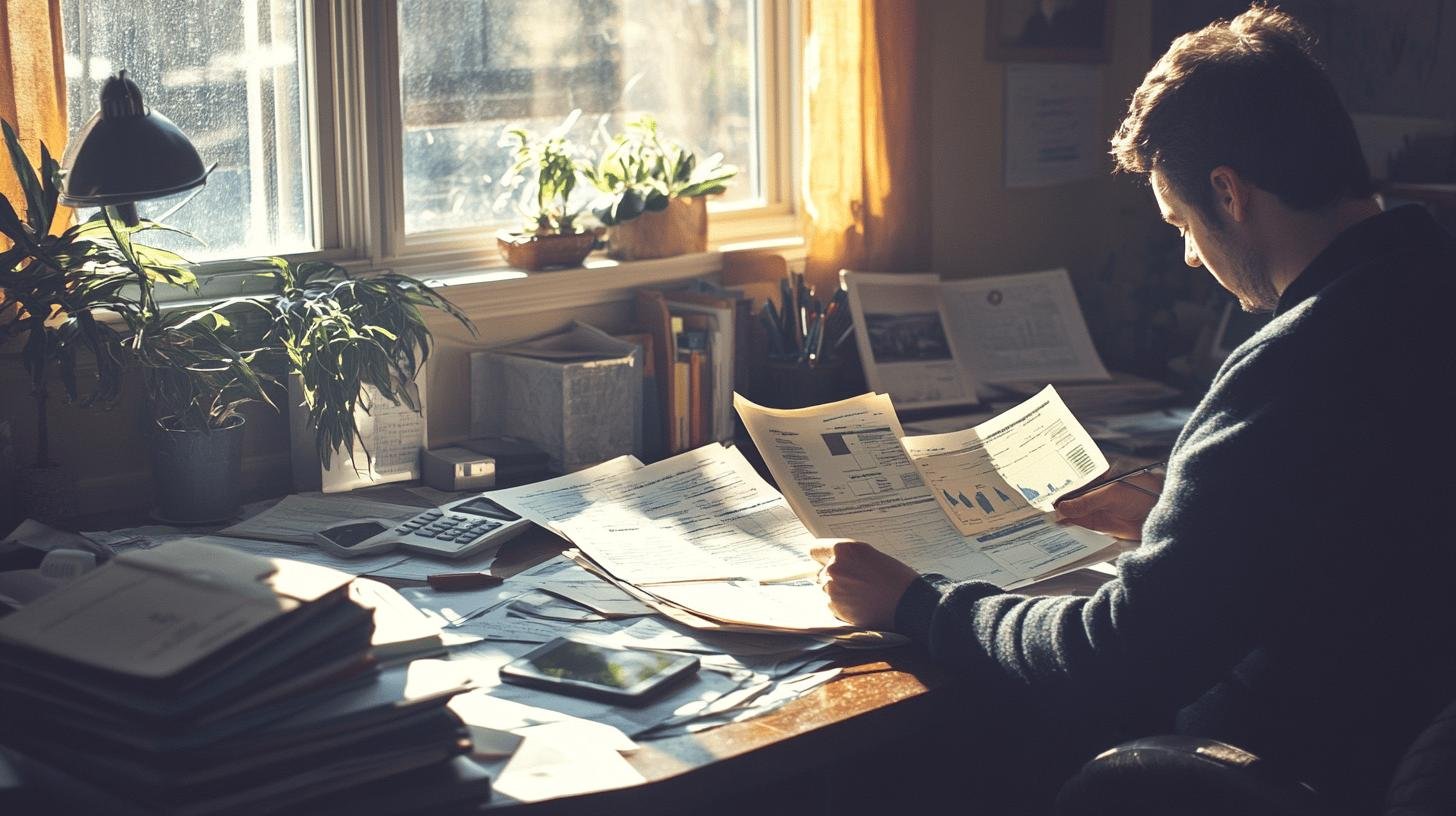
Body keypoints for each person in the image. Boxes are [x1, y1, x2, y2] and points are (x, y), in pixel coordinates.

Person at [811, 6, 1456, 812]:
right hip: (1398, 729)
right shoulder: (1428, 283)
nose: (1189, 253)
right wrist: (1187, 521)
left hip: (1285, 761)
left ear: (1230, 193)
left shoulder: (1300, 359)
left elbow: (1114, 658)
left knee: (925, 756)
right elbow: (1362, 521)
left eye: (1183, 223)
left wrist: (919, 604)